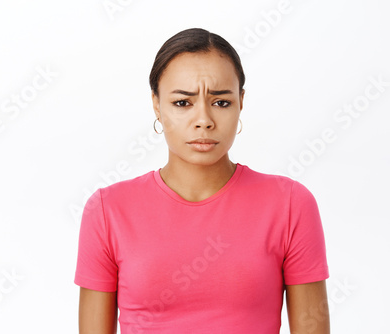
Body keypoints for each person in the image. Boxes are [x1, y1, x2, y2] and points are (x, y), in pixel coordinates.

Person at [74, 27, 330, 333]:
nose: (204, 120)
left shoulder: (290, 204)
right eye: (183, 103)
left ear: (241, 102)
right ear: (156, 104)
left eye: (221, 102)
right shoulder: (108, 210)